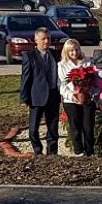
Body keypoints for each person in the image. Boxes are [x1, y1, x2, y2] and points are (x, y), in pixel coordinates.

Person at [20, 27, 61, 156]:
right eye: (43, 39)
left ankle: (52, 152)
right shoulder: (30, 56)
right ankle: (38, 150)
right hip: (36, 97)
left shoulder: (55, 54)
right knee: (33, 129)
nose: (46, 41)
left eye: (48, 38)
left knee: (53, 127)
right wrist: (24, 97)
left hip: (53, 96)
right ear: (36, 40)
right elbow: (25, 78)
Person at [57, 38, 97, 157]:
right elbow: (61, 85)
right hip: (71, 101)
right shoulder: (62, 65)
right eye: (71, 51)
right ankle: (79, 151)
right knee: (75, 127)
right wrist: (72, 95)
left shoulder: (88, 63)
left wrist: (90, 93)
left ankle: (89, 151)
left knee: (88, 127)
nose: (74, 53)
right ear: (66, 52)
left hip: (87, 99)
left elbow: (94, 82)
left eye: (76, 49)